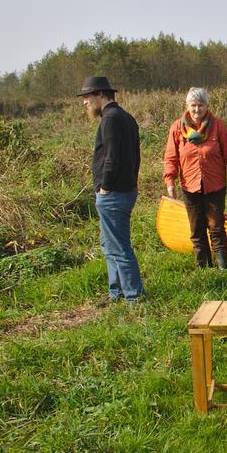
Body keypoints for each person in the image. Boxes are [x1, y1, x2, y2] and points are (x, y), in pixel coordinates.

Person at [78, 76, 145, 304]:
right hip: (125, 190)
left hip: (114, 194)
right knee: (109, 245)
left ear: (100, 95)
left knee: (119, 248)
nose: (85, 102)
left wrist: (105, 186)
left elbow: (112, 158)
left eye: (87, 97)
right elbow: (135, 157)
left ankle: (135, 298)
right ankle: (116, 293)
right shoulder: (125, 117)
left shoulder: (110, 120)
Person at [163, 87, 227, 269]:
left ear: (207, 106)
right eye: (193, 105)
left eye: (201, 105)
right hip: (190, 187)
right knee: (196, 229)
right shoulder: (176, 128)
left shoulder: (219, 126)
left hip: (215, 185)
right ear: (187, 106)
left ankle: (223, 267)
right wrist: (170, 182)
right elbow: (170, 157)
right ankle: (204, 267)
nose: (197, 110)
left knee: (216, 227)